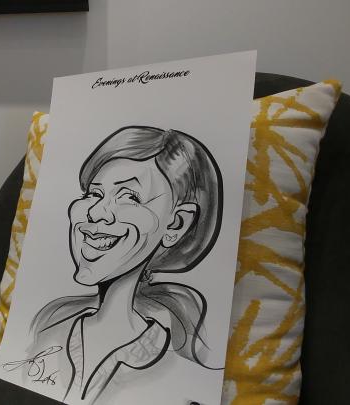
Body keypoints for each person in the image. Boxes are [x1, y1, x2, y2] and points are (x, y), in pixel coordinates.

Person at [29, 126, 223, 404]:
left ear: (176, 224)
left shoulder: (178, 372)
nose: (96, 212)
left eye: (129, 197)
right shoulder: (46, 327)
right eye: (93, 194)